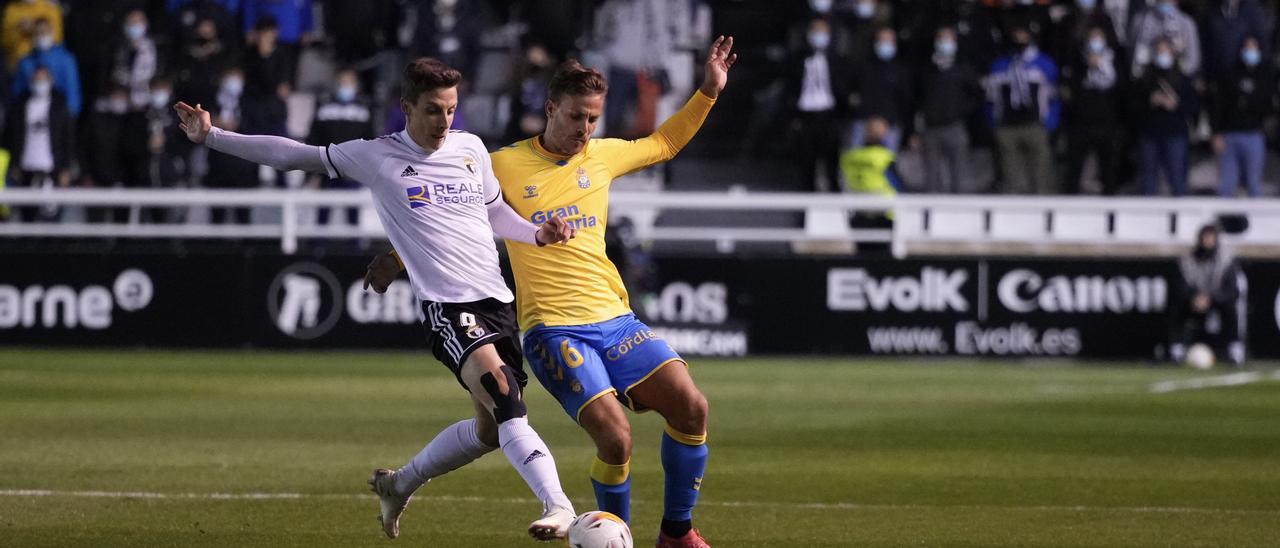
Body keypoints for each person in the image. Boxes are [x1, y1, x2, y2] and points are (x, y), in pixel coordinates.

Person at [172, 57, 581, 541]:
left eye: (451, 110)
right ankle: (559, 505)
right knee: (506, 400)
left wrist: (537, 234)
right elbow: (292, 154)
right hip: (448, 308)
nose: (444, 122)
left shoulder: (471, 148)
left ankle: (399, 484)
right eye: (432, 110)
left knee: (493, 430)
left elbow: (493, 213)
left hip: (497, 302)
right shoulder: (377, 155)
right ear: (405, 107)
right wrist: (213, 137)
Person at [367, 36, 737, 548]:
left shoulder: (603, 157)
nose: (585, 130)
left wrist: (708, 92)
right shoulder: (502, 164)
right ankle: (614, 538)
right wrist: (395, 258)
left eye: (593, 119)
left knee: (693, 408)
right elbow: (445, 219)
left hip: (617, 320)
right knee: (616, 437)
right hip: (552, 330)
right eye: (576, 117)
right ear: (550, 109)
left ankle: (676, 533)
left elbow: (665, 143)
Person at [985, 24, 1059, 194]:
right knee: (1011, 179)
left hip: (1035, 125)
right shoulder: (1000, 65)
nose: (1020, 37)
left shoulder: (1044, 63)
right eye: (1017, 33)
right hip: (1007, 127)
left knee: (1041, 178)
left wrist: (1050, 123)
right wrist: (994, 124)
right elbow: (990, 98)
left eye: (1024, 33)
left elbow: (1053, 95)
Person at [1169, 224, 1246, 366]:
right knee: (1177, 305)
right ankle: (1176, 349)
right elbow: (1181, 286)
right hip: (1195, 301)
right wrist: (1194, 297)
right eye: (1205, 238)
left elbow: (1232, 290)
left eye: (1211, 238)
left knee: (1231, 307)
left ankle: (1235, 349)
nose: (1208, 241)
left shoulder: (1226, 260)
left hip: (1217, 299)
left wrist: (1211, 299)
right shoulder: (1188, 260)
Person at [3, 65, 73, 222]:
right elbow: (13, 138)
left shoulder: (60, 107)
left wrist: (66, 168)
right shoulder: (21, 106)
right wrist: (14, 165)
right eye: (36, 79)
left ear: (51, 81)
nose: (39, 83)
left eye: (43, 79)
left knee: (51, 217)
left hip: (51, 169)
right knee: (27, 216)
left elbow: (68, 139)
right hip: (26, 169)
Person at [305, 68, 375, 225]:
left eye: (349, 83)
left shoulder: (363, 110)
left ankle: (355, 247)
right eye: (342, 82)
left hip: (353, 169)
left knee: (353, 215)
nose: (345, 86)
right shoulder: (324, 108)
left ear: (356, 85)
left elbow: (371, 141)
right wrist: (310, 172)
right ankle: (318, 248)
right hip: (327, 167)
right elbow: (314, 138)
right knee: (323, 214)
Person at [918, 26, 980, 193]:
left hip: (955, 126)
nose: (945, 43)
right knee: (932, 175)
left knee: (959, 174)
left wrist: (960, 111)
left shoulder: (963, 69)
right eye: (942, 39)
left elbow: (976, 95)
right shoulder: (927, 69)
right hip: (931, 127)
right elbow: (918, 97)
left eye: (949, 39)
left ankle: (958, 213)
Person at [1209, 36, 1274, 198]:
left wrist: (1249, 98)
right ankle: (1224, 221)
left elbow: (1267, 104)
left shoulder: (1265, 75)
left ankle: (1256, 222)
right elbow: (1219, 105)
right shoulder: (1230, 74)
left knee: (1253, 182)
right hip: (1230, 135)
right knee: (1227, 184)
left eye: (1254, 48)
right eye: (1247, 48)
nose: (1250, 51)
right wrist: (1216, 132)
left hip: (1253, 135)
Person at [1132, 38, 1197, 196]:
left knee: (1177, 178)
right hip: (1150, 134)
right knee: (1149, 179)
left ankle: (1181, 218)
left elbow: (1193, 106)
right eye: (1159, 51)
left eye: (1166, 51)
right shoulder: (1144, 79)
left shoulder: (1182, 79)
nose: (1162, 54)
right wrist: (1151, 101)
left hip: (1175, 134)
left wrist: (1176, 104)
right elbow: (1132, 107)